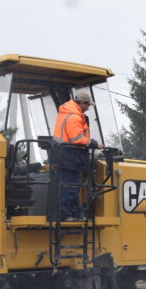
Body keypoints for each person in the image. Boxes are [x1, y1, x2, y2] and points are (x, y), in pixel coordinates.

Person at [52, 90, 104, 221]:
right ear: (82, 103)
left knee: (73, 187)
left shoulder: (68, 113)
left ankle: (76, 214)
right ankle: (65, 216)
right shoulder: (74, 117)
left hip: (67, 156)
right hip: (69, 157)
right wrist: (95, 144)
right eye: (88, 105)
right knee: (69, 187)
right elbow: (77, 139)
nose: (88, 108)